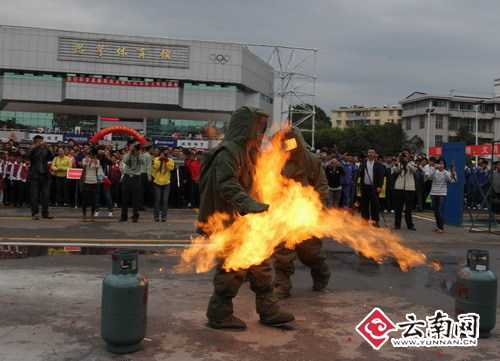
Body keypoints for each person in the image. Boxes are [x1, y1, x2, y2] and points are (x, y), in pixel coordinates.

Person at [200, 105, 294, 330]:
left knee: (261, 267)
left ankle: (269, 311)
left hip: (251, 223)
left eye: (263, 125)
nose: (260, 130)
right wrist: (250, 204)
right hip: (231, 223)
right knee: (232, 270)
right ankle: (219, 315)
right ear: (246, 125)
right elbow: (227, 184)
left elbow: (260, 180)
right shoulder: (228, 151)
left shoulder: (251, 151)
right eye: (257, 125)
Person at [272, 127, 331, 299]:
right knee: (282, 252)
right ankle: (282, 284)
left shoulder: (311, 161)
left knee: (310, 251)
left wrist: (318, 206)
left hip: (306, 213)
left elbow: (321, 185)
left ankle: (321, 272)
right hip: (283, 212)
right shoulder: (274, 162)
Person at [26, 135, 54, 220]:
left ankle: (45, 213)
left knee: (46, 195)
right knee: (34, 196)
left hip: (44, 176)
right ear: (35, 142)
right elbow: (27, 156)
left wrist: (48, 149)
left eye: (41, 141)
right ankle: (35, 214)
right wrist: (34, 148)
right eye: (38, 141)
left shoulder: (44, 150)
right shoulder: (31, 149)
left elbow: (51, 158)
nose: (40, 142)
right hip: (35, 176)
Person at [357, 148, 385, 227]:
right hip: (365, 186)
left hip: (374, 187)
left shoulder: (378, 164)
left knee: (374, 205)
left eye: (372, 152)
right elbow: (359, 174)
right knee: (364, 205)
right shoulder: (363, 163)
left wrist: (380, 186)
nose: (371, 154)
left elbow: (381, 176)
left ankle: (375, 222)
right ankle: (364, 221)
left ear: (375, 154)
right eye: (369, 152)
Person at [120, 143, 145, 222]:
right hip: (127, 177)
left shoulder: (139, 155)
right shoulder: (128, 154)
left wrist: (138, 153)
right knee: (124, 198)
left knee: (135, 198)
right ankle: (124, 216)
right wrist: (130, 152)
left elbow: (143, 162)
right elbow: (124, 161)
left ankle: (135, 216)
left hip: (136, 177)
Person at [427, 158, 454, 233]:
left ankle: (441, 228)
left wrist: (443, 171)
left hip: (442, 193)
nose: (441, 165)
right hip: (433, 193)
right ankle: (438, 226)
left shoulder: (446, 172)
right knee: (435, 211)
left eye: (442, 163)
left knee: (440, 210)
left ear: (444, 165)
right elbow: (429, 177)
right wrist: (435, 169)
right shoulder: (434, 171)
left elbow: (449, 179)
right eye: (439, 163)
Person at [392, 150, 417, 230]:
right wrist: (398, 162)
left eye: (406, 153)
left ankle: (410, 225)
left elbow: (414, 170)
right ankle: (397, 224)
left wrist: (408, 162)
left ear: (409, 155)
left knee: (408, 208)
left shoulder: (412, 163)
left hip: (409, 188)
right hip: (399, 187)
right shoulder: (399, 163)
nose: (405, 155)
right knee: (398, 207)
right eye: (404, 153)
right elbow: (395, 170)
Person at [152, 147, 174, 222]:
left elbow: (171, 168)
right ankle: (156, 216)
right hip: (157, 181)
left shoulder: (170, 160)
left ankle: (164, 217)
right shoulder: (156, 159)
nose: (165, 154)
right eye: (164, 153)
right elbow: (155, 167)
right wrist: (160, 160)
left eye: (166, 153)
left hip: (166, 182)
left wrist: (166, 160)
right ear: (161, 153)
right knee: (157, 200)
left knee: (165, 201)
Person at [80, 148, 101, 222]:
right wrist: (88, 157)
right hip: (86, 181)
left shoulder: (97, 160)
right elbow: (84, 164)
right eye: (90, 154)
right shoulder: (85, 159)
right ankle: (84, 214)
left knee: (93, 200)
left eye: (93, 154)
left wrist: (94, 158)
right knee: (84, 200)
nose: (91, 155)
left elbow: (96, 166)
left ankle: (92, 214)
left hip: (94, 182)